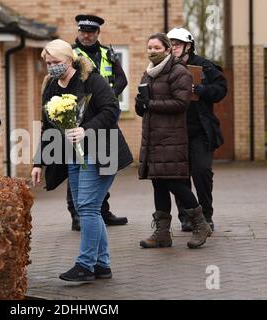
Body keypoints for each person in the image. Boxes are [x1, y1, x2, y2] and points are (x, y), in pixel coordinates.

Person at [32, 39, 133, 281]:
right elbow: (47, 127)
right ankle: (102, 264)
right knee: (85, 208)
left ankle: (85, 265)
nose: (52, 67)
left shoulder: (91, 80)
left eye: (56, 62)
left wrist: (86, 129)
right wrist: (38, 162)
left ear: (69, 59)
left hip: (101, 151)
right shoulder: (51, 86)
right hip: (73, 155)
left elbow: (111, 110)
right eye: (48, 63)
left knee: (87, 206)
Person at [135, 33, 212, 249]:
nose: (152, 51)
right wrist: (140, 104)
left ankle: (200, 224)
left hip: (171, 137)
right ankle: (162, 234)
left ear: (168, 49)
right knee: (158, 182)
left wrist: (151, 104)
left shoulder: (180, 72)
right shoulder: (148, 73)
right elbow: (144, 106)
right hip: (152, 137)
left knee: (174, 182)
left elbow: (181, 103)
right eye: (149, 47)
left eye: (157, 48)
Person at [66, 14, 129, 231]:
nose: (86, 35)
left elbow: (122, 79)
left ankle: (102, 210)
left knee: (104, 161)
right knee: (78, 163)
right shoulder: (71, 54)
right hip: (80, 114)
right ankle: (77, 214)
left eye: (90, 32)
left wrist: (108, 95)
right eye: (83, 31)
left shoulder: (107, 53)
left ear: (97, 33)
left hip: (103, 113)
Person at [167, 27, 227, 232]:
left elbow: (221, 89)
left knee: (201, 171)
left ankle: (206, 216)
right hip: (175, 131)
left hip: (200, 131)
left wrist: (203, 90)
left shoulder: (204, 66)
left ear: (188, 46)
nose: (173, 48)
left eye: (177, 44)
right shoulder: (165, 67)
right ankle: (187, 217)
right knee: (178, 175)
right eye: (171, 44)